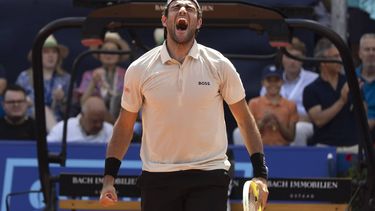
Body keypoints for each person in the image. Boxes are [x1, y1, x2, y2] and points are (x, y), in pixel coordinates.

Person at [99, 0, 269, 211]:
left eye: (189, 9)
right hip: (157, 177)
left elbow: (244, 119)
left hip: (209, 174)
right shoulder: (139, 69)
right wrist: (109, 178)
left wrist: (260, 175)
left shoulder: (219, 65)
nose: (182, 10)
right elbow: (124, 126)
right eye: (175, 7)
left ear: (198, 22)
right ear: (164, 20)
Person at [260, 37, 318, 146]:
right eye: (288, 57)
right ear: (282, 58)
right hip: (272, 122)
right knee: (243, 131)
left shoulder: (314, 79)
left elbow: (317, 114)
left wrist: (291, 120)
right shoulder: (270, 80)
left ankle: (297, 162)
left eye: (296, 57)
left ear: (303, 59)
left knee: (298, 129)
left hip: (304, 122)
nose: (292, 61)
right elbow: (263, 109)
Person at [303, 38, 359, 150]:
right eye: (335, 57)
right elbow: (319, 120)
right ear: (323, 62)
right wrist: (342, 101)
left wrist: (358, 96)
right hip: (324, 146)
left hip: (352, 146)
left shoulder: (350, 82)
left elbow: (363, 113)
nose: (340, 60)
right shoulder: (311, 89)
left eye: (340, 56)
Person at [16, 35, 71, 131]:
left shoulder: (66, 79)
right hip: (30, 123)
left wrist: (62, 100)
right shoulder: (25, 77)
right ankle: (55, 139)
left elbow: (72, 111)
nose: (51, 56)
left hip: (60, 123)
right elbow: (16, 102)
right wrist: (26, 102)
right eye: (46, 52)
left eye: (54, 52)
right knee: (43, 110)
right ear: (38, 55)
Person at [77, 32, 130, 122]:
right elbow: (83, 103)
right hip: (96, 119)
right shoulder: (89, 75)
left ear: (119, 55)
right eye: (105, 50)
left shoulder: (127, 74)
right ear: (99, 54)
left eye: (113, 51)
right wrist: (93, 82)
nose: (108, 54)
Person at [243, 65, 298, 146]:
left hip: (283, 149)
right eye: (269, 80)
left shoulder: (291, 105)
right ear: (263, 83)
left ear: (282, 82)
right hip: (260, 149)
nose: (273, 84)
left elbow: (291, 137)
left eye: (276, 80)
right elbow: (249, 135)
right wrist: (263, 121)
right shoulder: (253, 103)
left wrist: (278, 122)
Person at [47, 96, 113, 143]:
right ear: (82, 115)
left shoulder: (111, 132)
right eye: (94, 121)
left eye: (101, 121)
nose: (98, 125)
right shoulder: (63, 128)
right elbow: (48, 148)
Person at [355, 33, 375, 141]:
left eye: (374, 49)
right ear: (359, 53)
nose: (371, 53)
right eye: (367, 49)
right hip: (354, 129)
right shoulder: (349, 78)